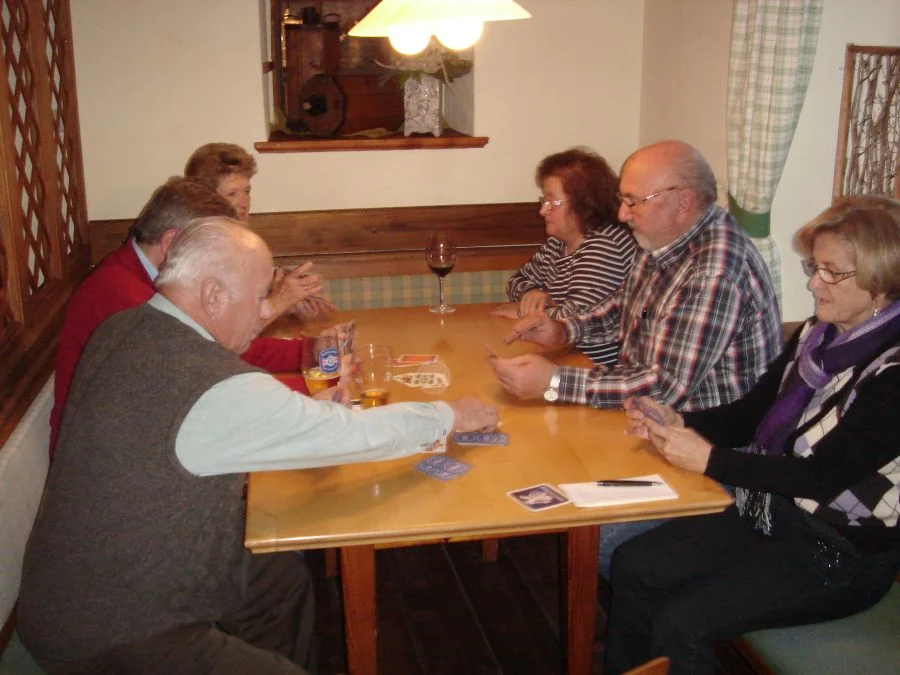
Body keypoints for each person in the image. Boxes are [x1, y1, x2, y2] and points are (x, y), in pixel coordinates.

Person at [19, 217, 499, 674]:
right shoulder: (209, 383)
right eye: (259, 298)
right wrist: (449, 414)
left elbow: (206, 418)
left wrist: (305, 413)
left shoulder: (126, 326)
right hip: (111, 630)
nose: (265, 313)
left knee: (279, 583)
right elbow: (355, 435)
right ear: (211, 295)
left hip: (85, 579)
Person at [605, 195, 900, 675]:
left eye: (832, 272)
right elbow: (751, 413)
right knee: (636, 564)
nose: (813, 282)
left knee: (683, 625)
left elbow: (824, 476)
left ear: (883, 280)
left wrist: (709, 460)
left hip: (841, 555)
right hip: (770, 515)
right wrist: (681, 421)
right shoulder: (817, 336)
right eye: (814, 266)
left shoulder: (893, 370)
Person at [491, 140, 783, 574]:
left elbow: (663, 386)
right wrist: (562, 328)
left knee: (602, 541)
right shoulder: (663, 243)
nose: (623, 214)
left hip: (711, 448)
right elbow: (619, 312)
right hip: (654, 423)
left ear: (682, 201)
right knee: (539, 458)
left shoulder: (714, 272)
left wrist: (554, 382)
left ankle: (664, 627)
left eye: (632, 201)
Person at [49, 177, 325, 457]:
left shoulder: (145, 279)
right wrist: (312, 387)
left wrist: (312, 353)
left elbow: (216, 355)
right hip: (113, 468)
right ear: (172, 243)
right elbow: (209, 389)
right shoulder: (126, 300)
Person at [493, 147, 636, 365]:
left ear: (584, 204)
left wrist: (526, 311)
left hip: (594, 368)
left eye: (553, 202)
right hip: (563, 354)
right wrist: (531, 293)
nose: (543, 211)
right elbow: (516, 281)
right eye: (544, 200)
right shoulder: (558, 242)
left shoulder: (606, 245)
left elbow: (575, 316)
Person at [184, 142, 335, 317]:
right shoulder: (198, 250)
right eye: (232, 194)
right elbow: (226, 330)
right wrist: (280, 302)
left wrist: (291, 303)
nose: (244, 203)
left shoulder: (238, 239)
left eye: (246, 191)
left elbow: (253, 308)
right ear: (203, 198)